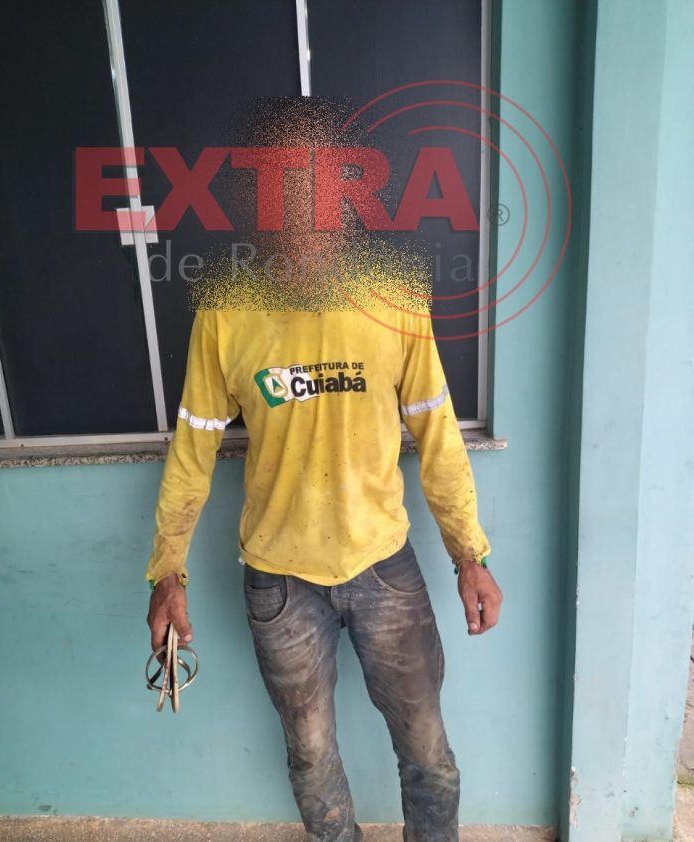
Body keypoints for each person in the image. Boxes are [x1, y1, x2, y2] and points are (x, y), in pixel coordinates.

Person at [145, 99, 503, 842]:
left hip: (384, 566)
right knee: (310, 758)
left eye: (316, 190)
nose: (301, 214)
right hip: (280, 582)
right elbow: (192, 449)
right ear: (258, 207)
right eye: (281, 194)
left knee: (428, 753)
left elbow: (437, 433)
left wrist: (470, 554)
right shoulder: (226, 310)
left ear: (346, 198)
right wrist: (167, 571)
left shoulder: (396, 295)